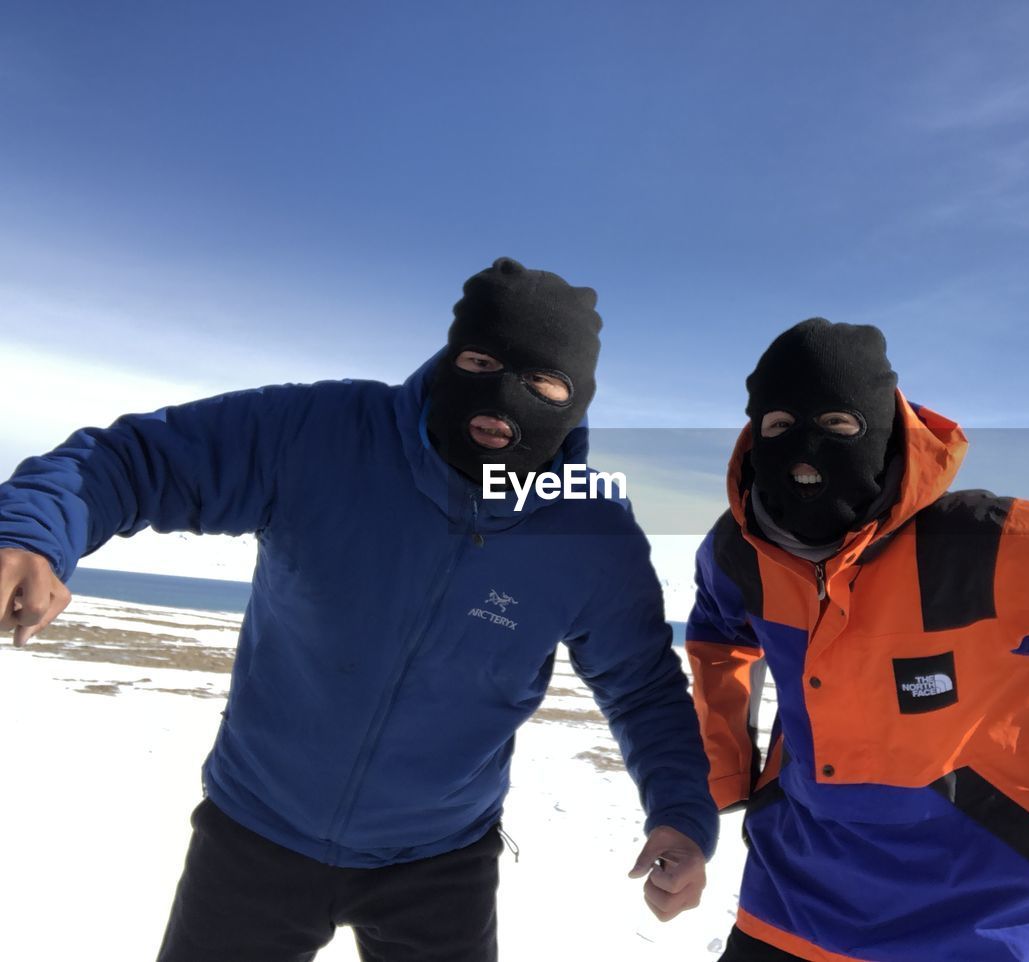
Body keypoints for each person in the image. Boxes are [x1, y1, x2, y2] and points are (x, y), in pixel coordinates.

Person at [0, 257, 716, 962]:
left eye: (542, 382)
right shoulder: (322, 432)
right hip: (255, 833)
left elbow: (643, 688)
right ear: (447, 359)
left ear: (576, 401)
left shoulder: (591, 534)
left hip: (442, 861)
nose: (502, 398)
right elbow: (133, 461)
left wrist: (682, 814)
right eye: (478, 361)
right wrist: (34, 536)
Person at [684, 318, 1029, 962]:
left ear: (883, 431)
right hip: (788, 897)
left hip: (971, 914)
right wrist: (722, 768)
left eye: (839, 426)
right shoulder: (740, 550)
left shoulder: (983, 547)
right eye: (778, 426)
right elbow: (719, 639)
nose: (806, 449)